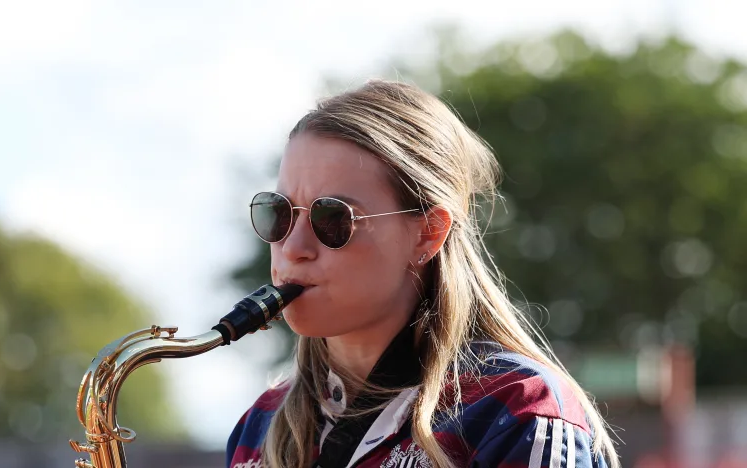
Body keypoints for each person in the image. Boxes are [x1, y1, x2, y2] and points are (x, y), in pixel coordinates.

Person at [225, 80, 619, 468]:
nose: (292, 248)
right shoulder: (256, 428)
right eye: (277, 212)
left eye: (332, 218)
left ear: (427, 234)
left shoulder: (520, 411)